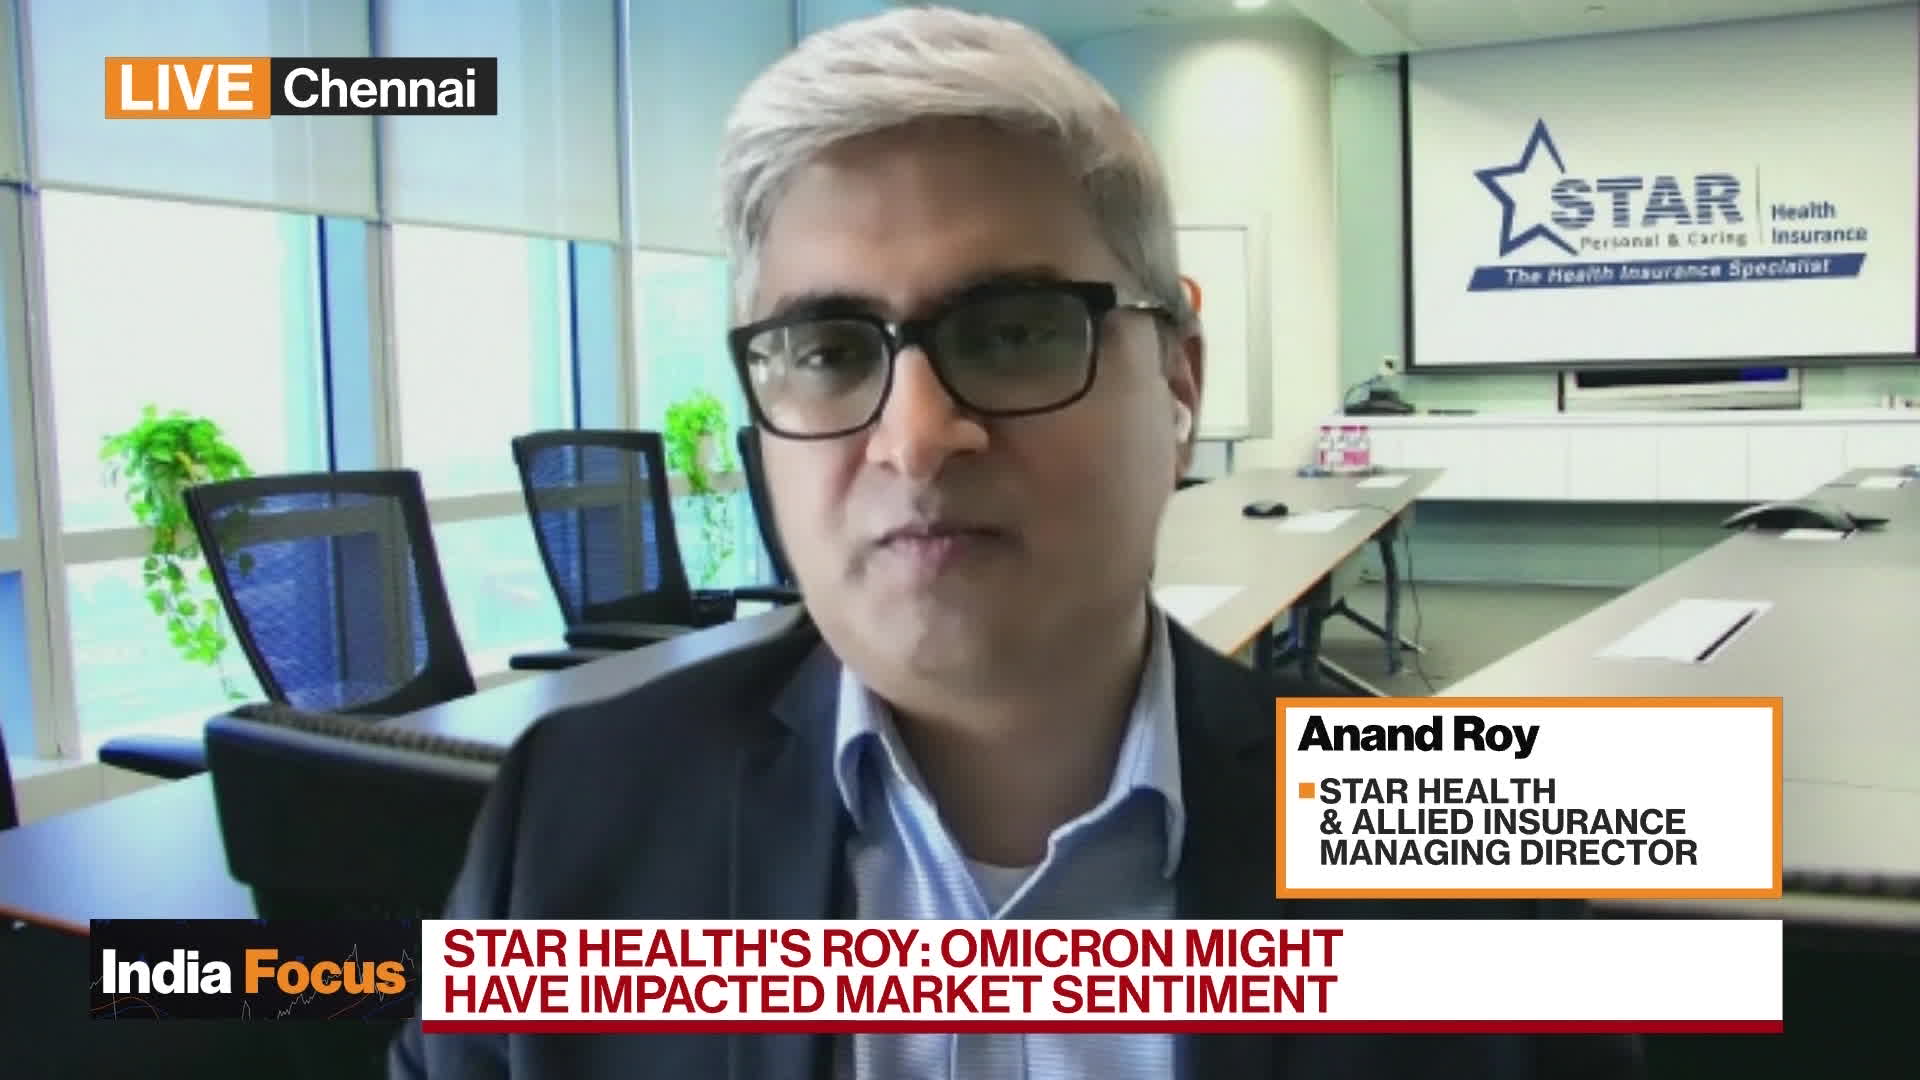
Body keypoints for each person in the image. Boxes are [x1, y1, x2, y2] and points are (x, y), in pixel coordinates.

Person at [391, 7, 1641, 1078]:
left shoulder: (1468, 867)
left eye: (1017, 332)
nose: (917, 438)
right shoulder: (576, 824)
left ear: (1179, 382)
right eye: (828, 352)